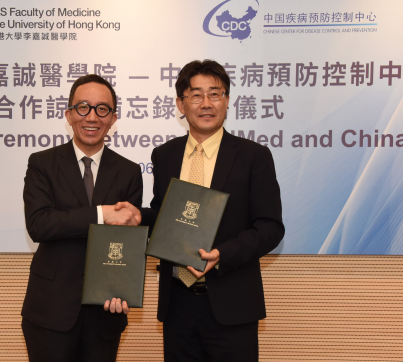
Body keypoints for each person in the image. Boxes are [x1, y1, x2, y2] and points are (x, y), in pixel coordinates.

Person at [121, 59, 284, 361]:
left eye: (215, 94)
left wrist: (223, 254)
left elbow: (270, 228)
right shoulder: (165, 155)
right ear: (181, 104)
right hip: (178, 305)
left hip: (232, 304)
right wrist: (139, 216)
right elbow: (163, 216)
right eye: (196, 95)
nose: (206, 103)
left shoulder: (253, 156)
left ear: (227, 101)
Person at [21, 74, 143, 362]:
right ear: (69, 114)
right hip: (51, 308)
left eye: (102, 109)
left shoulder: (128, 171)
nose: (92, 117)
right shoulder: (42, 164)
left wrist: (122, 289)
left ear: (113, 118)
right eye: (83, 107)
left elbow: (126, 243)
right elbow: (40, 224)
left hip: (105, 311)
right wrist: (102, 213)